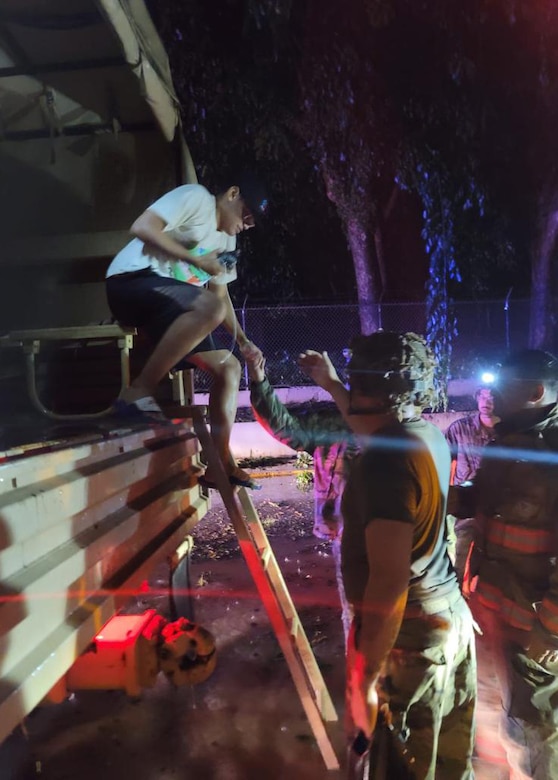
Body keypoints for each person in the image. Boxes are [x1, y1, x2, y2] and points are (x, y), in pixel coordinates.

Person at [298, 333, 476, 780]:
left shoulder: (382, 464)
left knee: (400, 768)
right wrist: (331, 383)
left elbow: (389, 582)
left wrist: (363, 680)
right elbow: (372, 428)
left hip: (410, 638)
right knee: (448, 764)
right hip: (447, 621)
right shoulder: (424, 436)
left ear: (366, 384)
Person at [105, 173, 266, 488]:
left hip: (172, 308)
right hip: (130, 281)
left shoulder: (228, 244)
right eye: (248, 214)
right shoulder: (197, 199)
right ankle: (137, 392)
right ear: (233, 193)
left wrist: (245, 342)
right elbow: (142, 226)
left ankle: (221, 464)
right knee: (208, 308)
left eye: (254, 221)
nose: (249, 224)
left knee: (229, 368)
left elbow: (220, 297)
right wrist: (195, 259)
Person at [467, 350, 558, 780]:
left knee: (533, 730)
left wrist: (550, 632)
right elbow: (485, 502)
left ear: (536, 392)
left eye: (502, 387)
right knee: (502, 717)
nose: (490, 396)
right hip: (497, 608)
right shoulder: (509, 443)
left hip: (534, 628)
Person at [246, 351, 354, 640]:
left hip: (395, 541)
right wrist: (258, 379)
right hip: (348, 537)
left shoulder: (401, 428)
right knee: (356, 613)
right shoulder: (331, 423)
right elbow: (285, 428)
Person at [445, 385, 500, 582]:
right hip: (466, 501)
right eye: (483, 397)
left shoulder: (508, 434)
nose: (487, 402)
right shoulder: (459, 428)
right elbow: (446, 460)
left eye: (492, 397)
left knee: (491, 553)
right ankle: (457, 590)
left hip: (497, 504)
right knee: (460, 550)